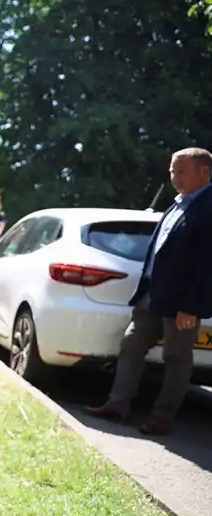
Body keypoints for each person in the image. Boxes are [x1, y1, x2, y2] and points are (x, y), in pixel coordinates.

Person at [86, 148, 212, 435]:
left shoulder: (208, 207)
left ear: (204, 172)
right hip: (152, 293)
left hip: (181, 301)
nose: (174, 177)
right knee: (131, 345)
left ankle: (162, 417)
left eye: (181, 171)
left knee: (176, 357)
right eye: (172, 171)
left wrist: (191, 306)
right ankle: (117, 405)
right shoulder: (178, 203)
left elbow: (207, 265)